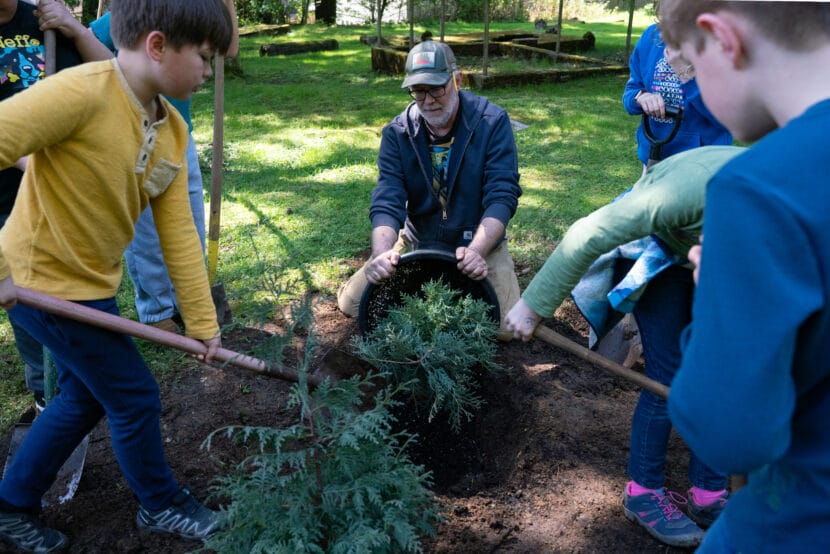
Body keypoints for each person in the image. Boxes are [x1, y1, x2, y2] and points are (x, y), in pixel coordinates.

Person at [0, 0, 233, 551]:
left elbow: (179, 238)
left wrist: (203, 324)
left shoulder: (171, 131)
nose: (207, 70)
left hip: (91, 288)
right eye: (202, 57)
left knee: (85, 396)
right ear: (157, 46)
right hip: (38, 281)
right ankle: (163, 504)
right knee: (134, 396)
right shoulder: (81, 91)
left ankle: (11, 505)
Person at [505, 145, 743, 548]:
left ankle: (708, 491)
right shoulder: (685, 193)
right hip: (669, 252)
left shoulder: (789, 211)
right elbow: (587, 233)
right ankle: (644, 493)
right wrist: (532, 307)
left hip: (718, 260)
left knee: (719, 373)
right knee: (666, 377)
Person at [656, 2, 830, 552]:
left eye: (688, 63)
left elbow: (729, 434)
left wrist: (717, 302)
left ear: (722, 39)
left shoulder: (758, 189)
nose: (694, 90)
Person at [337, 40, 522, 327]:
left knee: (506, 327)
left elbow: (502, 195)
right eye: (418, 91)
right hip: (418, 239)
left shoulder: (492, 122)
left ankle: (471, 277)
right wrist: (382, 253)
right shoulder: (397, 134)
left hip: (476, 242)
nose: (428, 100)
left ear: (457, 80)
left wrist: (477, 251)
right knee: (351, 304)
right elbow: (388, 197)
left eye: (436, 88)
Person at [89, 0, 239, 335]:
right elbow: (88, 45)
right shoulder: (135, 13)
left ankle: (187, 299)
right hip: (134, 137)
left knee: (189, 222)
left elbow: (227, 49)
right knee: (145, 232)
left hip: (177, 136)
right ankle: (156, 309)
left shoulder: (193, 13)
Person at [0, 0, 112, 411]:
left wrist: (75, 29)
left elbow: (113, 76)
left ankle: (79, 378)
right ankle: (44, 389)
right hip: (8, 192)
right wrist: (34, 164)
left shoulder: (46, 18)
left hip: (67, 185)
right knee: (23, 294)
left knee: (73, 281)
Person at [623, 21, 731, 172]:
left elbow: (726, 117)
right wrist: (641, 97)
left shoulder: (719, 43)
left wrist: (684, 72)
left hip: (701, 165)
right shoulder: (650, 37)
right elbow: (631, 91)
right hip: (653, 160)